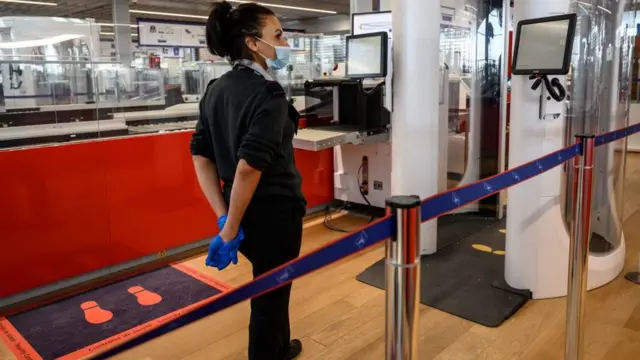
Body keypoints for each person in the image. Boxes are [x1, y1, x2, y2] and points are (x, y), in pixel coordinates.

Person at [190, 1, 306, 359]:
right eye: (278, 34)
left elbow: (201, 155)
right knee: (269, 298)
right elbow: (248, 167)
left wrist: (225, 216)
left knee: (272, 285)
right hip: (275, 214)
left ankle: (281, 347)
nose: (284, 42)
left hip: (241, 212)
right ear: (253, 43)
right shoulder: (268, 94)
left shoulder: (215, 89)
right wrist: (229, 225)